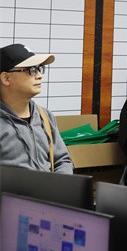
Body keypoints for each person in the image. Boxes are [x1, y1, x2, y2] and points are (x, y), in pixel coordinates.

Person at [0, 44, 73, 173]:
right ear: (6, 78)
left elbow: (62, 160)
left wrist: (59, 183)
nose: (39, 75)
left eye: (39, 69)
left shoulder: (44, 115)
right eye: (31, 70)